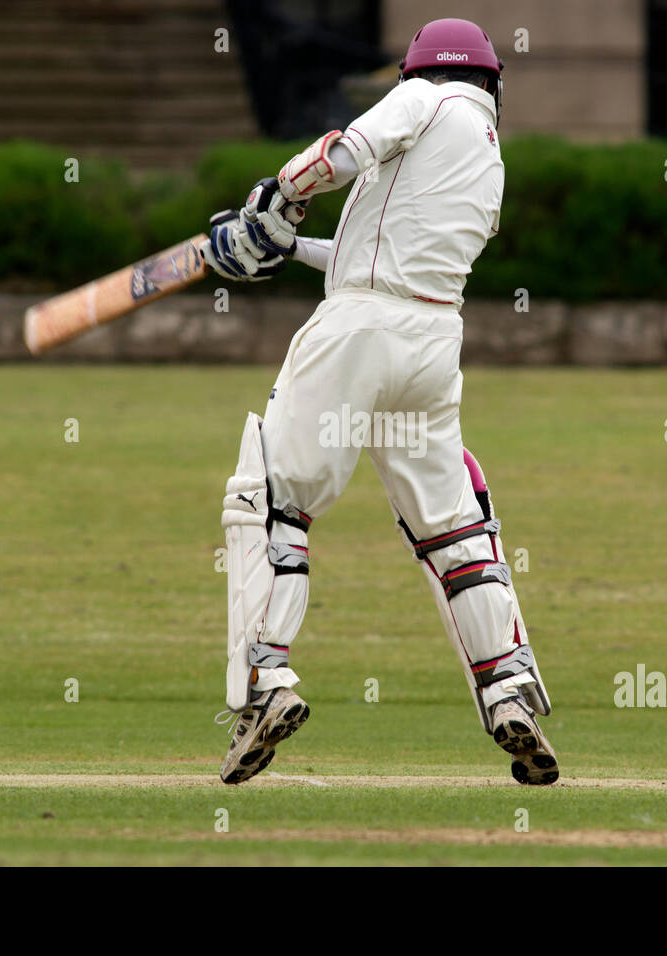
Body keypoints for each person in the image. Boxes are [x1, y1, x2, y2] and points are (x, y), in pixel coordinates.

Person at [205, 18, 557, 786]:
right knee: (452, 526)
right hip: (431, 344)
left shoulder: (422, 101)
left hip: (358, 332)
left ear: (421, 72)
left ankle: (266, 683)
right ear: (493, 82)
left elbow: (341, 153)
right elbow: (376, 252)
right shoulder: (488, 162)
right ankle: (508, 691)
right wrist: (284, 245)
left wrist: (274, 198)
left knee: (272, 499)